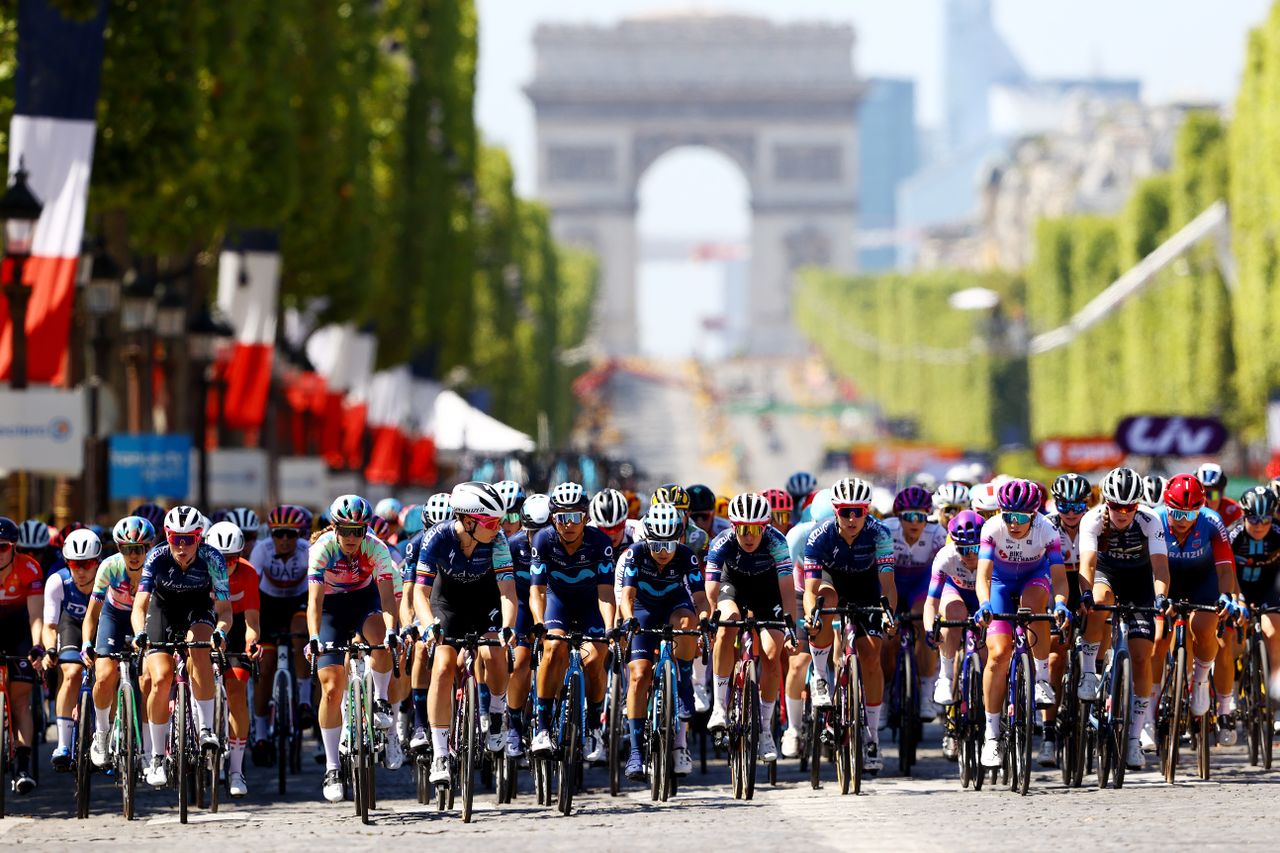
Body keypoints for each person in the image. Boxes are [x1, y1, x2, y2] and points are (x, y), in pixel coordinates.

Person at [413, 481, 517, 784]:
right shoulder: (436, 538)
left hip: (486, 601)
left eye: (500, 520)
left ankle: (497, 711)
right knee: (443, 667)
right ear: (468, 520)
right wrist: (428, 625)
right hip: (448, 604)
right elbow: (420, 592)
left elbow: (508, 592)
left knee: (493, 651)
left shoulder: (497, 541)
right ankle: (441, 755)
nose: (498, 527)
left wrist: (508, 626)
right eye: (491, 521)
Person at [306, 495, 399, 803]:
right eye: (344, 530)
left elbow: (387, 600)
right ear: (335, 528)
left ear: (365, 531)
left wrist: (393, 632)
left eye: (356, 531)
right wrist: (313, 637)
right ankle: (332, 768)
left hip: (364, 601)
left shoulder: (376, 548)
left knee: (381, 638)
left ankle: (382, 700)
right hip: (331, 608)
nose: (350, 538)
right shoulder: (322, 549)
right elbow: (315, 603)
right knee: (332, 687)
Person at [131, 506, 232, 789]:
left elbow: (225, 611)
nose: (183, 546)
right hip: (162, 610)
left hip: (197, 608)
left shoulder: (213, 558)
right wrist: (140, 632)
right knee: (160, 678)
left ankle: (205, 730)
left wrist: (221, 633)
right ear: (168, 536)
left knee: (200, 650)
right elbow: (139, 606)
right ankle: (157, 758)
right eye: (177, 539)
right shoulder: (157, 557)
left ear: (200, 537)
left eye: (190, 539)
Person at [1077, 467, 1170, 771]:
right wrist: (1086, 595)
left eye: (1129, 507)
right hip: (1107, 575)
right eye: (1116, 506)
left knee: (1142, 655)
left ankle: (1133, 738)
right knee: (1100, 602)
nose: (1122, 513)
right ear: (1106, 502)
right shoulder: (1092, 519)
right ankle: (1089, 672)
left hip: (1140, 582)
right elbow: (1088, 566)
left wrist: (1159, 599)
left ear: (1137, 505)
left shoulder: (1149, 520)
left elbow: (1160, 568)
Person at [975, 479, 1070, 769]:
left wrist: (1062, 602)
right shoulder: (992, 529)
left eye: (1021, 518)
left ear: (1034, 515)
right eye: (1008, 516)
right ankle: (991, 736)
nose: (1013, 524)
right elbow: (983, 576)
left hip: (1034, 577)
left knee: (1033, 607)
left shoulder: (1047, 529)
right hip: (1001, 583)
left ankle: (1041, 679)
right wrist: (984, 604)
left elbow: (1060, 576)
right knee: (998, 654)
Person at [802, 477, 894, 772]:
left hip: (866, 586)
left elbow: (887, 584)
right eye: (845, 512)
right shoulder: (820, 536)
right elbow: (810, 589)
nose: (852, 518)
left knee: (871, 654)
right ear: (835, 511)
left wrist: (887, 612)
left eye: (858, 511)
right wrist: (811, 617)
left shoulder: (880, 534)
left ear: (867, 510)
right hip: (831, 584)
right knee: (824, 603)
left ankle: (872, 738)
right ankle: (820, 676)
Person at [617, 502, 709, 779]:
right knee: (639, 675)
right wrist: (628, 619)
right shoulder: (635, 554)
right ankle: (635, 751)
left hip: (673, 605)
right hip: (643, 609)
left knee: (687, 623)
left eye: (669, 545)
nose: (663, 553)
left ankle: (683, 688)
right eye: (657, 546)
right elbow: (627, 596)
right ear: (647, 539)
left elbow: (701, 598)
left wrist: (705, 618)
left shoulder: (685, 556)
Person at [529, 482, 616, 761]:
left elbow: (605, 593)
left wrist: (610, 627)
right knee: (554, 649)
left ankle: (593, 728)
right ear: (553, 518)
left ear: (586, 518)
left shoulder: (599, 542)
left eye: (575, 517)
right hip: (558, 604)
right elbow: (537, 590)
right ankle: (542, 729)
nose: (568, 524)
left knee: (595, 658)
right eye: (561, 518)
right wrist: (539, 623)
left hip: (591, 605)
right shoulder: (543, 540)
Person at [706, 492, 795, 764]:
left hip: (767, 593)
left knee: (771, 653)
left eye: (756, 529)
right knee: (726, 624)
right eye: (743, 529)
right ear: (734, 527)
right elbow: (711, 591)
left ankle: (765, 729)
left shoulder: (777, 542)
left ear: (765, 527)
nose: (749, 536)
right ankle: (720, 707)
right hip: (732, 587)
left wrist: (790, 624)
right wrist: (712, 619)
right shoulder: (721, 542)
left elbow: (787, 590)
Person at [1154, 475, 1238, 749]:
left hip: (1203, 581)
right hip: (1165, 581)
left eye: (1189, 514)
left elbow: (1225, 568)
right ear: (1166, 506)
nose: (1181, 519)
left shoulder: (1211, 521)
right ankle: (1151, 707)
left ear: (1199, 510)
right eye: (1175, 512)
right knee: (1156, 640)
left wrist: (1227, 596)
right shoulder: (1155, 520)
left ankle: (1200, 682)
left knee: (1204, 628)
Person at [82, 516, 155, 769]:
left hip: (146, 617)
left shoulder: (155, 568)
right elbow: (92, 614)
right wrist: (86, 643)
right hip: (114, 616)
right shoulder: (109, 568)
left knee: (149, 679)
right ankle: (101, 733)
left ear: (148, 547)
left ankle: (148, 749)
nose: (133, 555)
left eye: (138, 549)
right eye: (126, 549)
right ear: (118, 549)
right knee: (103, 675)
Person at [250, 504, 314, 766]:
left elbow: (316, 585)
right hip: (268, 604)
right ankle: (262, 735)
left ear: (298, 534)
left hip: (298, 601)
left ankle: (305, 701)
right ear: (271, 535)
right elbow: (252, 586)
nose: (285, 540)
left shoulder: (307, 551)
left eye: (291, 534)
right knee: (265, 667)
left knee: (300, 635)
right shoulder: (262, 550)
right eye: (279, 534)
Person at [206, 521, 264, 796]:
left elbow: (252, 620)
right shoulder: (198, 570)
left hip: (237, 627)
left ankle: (236, 770)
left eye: (233, 559)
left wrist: (252, 642)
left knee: (238, 689)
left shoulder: (249, 573)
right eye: (221, 558)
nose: (227, 564)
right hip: (204, 624)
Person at [881, 485, 947, 718]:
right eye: (909, 516)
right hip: (892, 584)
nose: (915, 522)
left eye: (920, 516)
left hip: (921, 585)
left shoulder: (938, 533)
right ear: (899, 517)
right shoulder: (886, 531)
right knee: (888, 640)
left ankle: (927, 692)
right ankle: (885, 694)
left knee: (925, 626)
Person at [1040, 472, 1091, 766]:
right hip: (1053, 587)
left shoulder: (1096, 526)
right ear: (1055, 504)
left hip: (1085, 583)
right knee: (1056, 654)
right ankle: (1048, 732)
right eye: (1064, 506)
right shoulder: (1046, 526)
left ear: (1087, 504)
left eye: (1077, 507)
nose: (1071, 513)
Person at [924, 510, 983, 760]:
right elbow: (930, 601)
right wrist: (930, 628)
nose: (970, 555)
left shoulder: (994, 553)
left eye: (975, 549)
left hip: (983, 596)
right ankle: (946, 676)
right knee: (953, 615)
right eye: (963, 549)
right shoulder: (945, 557)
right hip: (954, 593)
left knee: (988, 652)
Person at [780, 488, 833, 757]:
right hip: (802, 593)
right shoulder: (798, 535)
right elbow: (785, 582)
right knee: (799, 661)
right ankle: (793, 728)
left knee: (843, 652)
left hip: (836, 590)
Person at [42, 529, 99, 771]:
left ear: (97, 562)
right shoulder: (58, 581)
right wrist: (49, 650)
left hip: (101, 627)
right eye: (76, 564)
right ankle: (63, 744)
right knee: (72, 672)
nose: (81, 570)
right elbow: (50, 625)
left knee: (110, 675)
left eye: (87, 564)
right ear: (67, 563)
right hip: (71, 626)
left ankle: (106, 738)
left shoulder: (106, 578)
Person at [501, 493, 551, 757]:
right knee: (519, 662)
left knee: (556, 655)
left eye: (543, 530)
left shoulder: (560, 544)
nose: (537, 537)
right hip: (521, 604)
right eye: (532, 531)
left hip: (550, 603)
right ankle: (515, 727)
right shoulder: (512, 546)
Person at [0, 516, 45, 793]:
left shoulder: (29, 568)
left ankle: (23, 767)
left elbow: (36, 616)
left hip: (19, 632)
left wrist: (37, 646)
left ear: (14, 547)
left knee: (20, 701)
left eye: (2, 547)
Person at [1231, 486, 1280, 703]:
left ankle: (1276, 680)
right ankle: (1230, 689)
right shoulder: (1233, 534)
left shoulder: (1278, 533)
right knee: (1233, 637)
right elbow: (1223, 571)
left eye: (1266, 520)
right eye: (1254, 520)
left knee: (1272, 631)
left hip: (1267, 590)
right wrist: (1236, 598)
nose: (1260, 526)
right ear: (1244, 515)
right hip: (1238, 588)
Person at [1197, 462, 1243, 528]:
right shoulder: (1187, 511)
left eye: (1214, 495)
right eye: (1203, 494)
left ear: (1222, 493)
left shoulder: (1234, 511)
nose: (1208, 500)